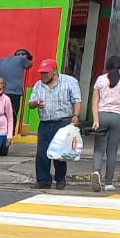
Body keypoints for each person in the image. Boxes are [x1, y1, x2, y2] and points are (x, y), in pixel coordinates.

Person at [27, 58, 82, 190]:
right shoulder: (38, 85)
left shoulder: (69, 82)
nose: (43, 75)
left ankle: (60, 179)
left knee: (60, 153)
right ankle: (43, 180)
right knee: (42, 153)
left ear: (54, 71)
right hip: (45, 123)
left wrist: (76, 115)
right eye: (41, 73)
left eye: (46, 72)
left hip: (63, 122)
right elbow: (30, 103)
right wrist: (36, 103)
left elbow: (77, 100)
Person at [89, 56, 120, 192]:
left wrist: (96, 120)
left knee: (98, 149)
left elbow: (95, 102)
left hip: (102, 115)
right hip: (118, 116)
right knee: (112, 151)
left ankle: (96, 171)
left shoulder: (100, 79)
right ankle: (109, 183)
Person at [0, 49, 32, 138]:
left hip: (0, 92)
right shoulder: (22, 59)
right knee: (11, 114)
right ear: (24, 56)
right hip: (14, 92)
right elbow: (30, 64)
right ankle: (8, 136)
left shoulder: (3, 60)